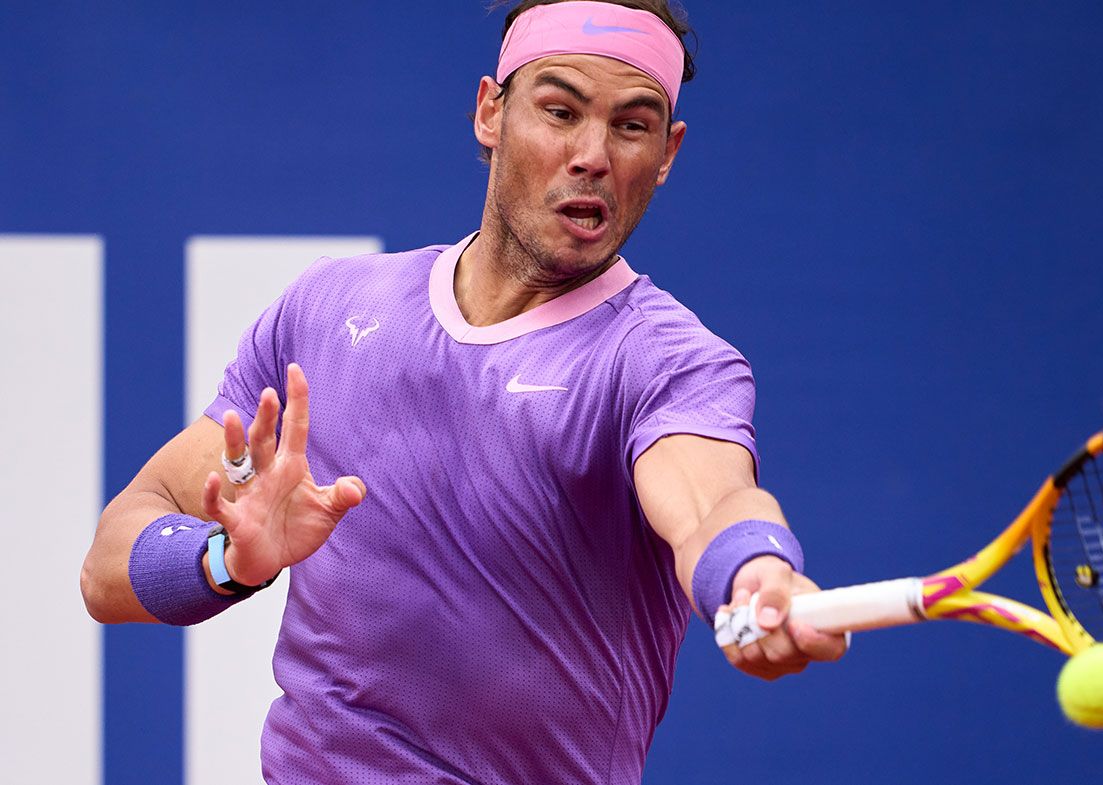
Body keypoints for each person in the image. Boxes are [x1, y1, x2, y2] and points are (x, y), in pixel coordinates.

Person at [80, 1, 846, 782]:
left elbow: (714, 504)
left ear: (666, 154)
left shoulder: (666, 363)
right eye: (560, 110)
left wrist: (753, 574)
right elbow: (107, 567)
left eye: (632, 125)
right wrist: (226, 561)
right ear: (491, 111)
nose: (592, 154)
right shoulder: (329, 308)